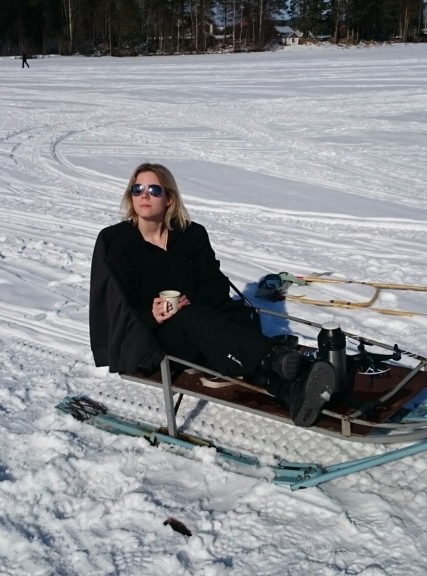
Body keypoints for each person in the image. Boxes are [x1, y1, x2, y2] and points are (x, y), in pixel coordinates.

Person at [89, 162, 336, 426]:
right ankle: (276, 358)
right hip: (155, 337)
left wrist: (191, 300)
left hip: (203, 324)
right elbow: (115, 306)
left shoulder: (192, 234)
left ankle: (286, 389)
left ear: (169, 198)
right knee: (195, 320)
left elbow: (215, 285)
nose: (144, 195)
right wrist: (152, 315)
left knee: (233, 319)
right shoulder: (116, 242)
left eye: (154, 190)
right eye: (137, 189)